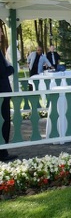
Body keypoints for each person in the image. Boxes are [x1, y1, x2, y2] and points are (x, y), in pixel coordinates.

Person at [0, 28, 17, 161]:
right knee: (4, 121)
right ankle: (2, 152)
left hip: (3, 91)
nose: (1, 34)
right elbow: (3, 71)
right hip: (2, 91)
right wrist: (10, 69)